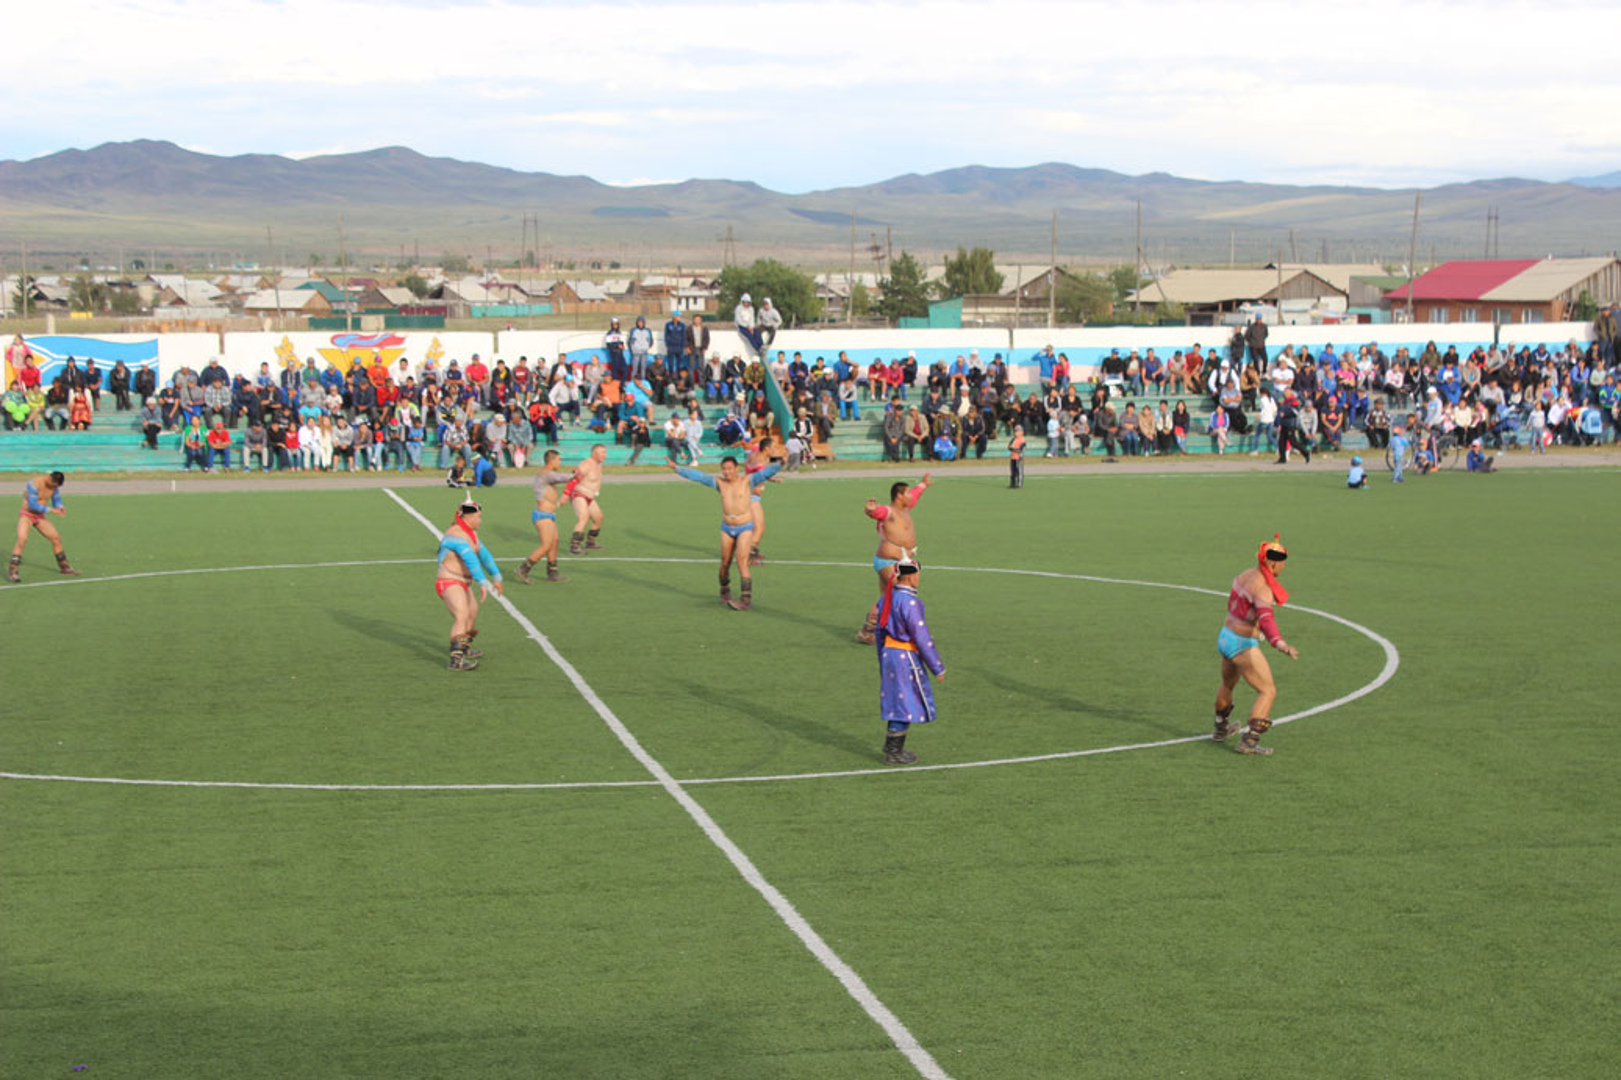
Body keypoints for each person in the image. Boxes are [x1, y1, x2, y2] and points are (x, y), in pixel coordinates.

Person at [1212, 536, 1299, 756]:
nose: (1284, 567)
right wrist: (1280, 643)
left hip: (1225, 636)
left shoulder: (1245, 575)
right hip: (1242, 643)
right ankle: (1249, 741)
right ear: (1273, 562)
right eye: (1283, 562)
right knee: (1268, 691)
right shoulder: (1263, 589)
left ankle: (1221, 729)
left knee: (1227, 684)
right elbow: (1267, 620)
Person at [669, 454, 781, 610]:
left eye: (729, 469)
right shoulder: (719, 483)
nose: (726, 472)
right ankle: (724, 591)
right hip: (727, 528)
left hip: (744, 527)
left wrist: (780, 463)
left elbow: (765, 473)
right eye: (724, 469)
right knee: (725, 562)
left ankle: (745, 601)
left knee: (741, 562)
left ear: (736, 469)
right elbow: (699, 477)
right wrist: (677, 468)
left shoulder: (747, 481)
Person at [875, 557, 945, 765]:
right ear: (912, 576)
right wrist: (937, 666)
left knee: (897, 699)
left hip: (889, 654)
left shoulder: (887, 598)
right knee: (905, 701)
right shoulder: (910, 603)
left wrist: (882, 657)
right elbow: (921, 637)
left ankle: (893, 747)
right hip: (905, 657)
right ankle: (893, 751)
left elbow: (879, 631)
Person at [857, 473, 932, 643]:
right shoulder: (888, 511)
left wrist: (923, 485)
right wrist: (870, 509)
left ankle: (867, 630)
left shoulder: (905, 509)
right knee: (903, 591)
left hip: (901, 561)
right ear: (899, 496)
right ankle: (906, 631)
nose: (910, 496)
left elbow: (915, 496)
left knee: (887, 597)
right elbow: (876, 512)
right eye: (907, 493)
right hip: (887, 561)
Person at [435, 499, 502, 671]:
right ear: (468, 517)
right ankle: (456, 660)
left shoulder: (472, 534)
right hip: (449, 581)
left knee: (472, 612)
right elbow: (470, 559)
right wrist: (482, 582)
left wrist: (497, 576)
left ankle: (464, 647)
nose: (480, 520)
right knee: (462, 615)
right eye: (478, 517)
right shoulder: (455, 535)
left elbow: (484, 555)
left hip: (463, 583)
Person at [9, 471, 79, 583]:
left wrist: (60, 507)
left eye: (56, 486)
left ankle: (64, 567)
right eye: (54, 485)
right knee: (22, 539)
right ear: (50, 479)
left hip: (40, 517)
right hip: (27, 515)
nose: (54, 488)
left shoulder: (54, 486)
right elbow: (33, 504)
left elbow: (56, 499)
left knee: (56, 538)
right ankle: (13, 571)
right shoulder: (34, 483)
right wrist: (51, 510)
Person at [516, 450, 572, 584]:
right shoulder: (545, 474)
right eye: (558, 460)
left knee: (554, 542)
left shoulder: (547, 474)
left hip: (550, 515)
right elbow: (560, 478)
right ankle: (523, 569)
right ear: (551, 461)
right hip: (543, 516)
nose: (560, 462)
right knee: (546, 545)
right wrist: (576, 475)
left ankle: (552, 572)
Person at [565, 444, 609, 555]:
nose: (605, 455)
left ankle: (590, 542)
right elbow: (574, 478)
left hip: (589, 496)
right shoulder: (586, 464)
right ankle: (574, 546)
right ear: (594, 453)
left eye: (605, 452)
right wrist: (565, 494)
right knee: (583, 518)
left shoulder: (599, 465)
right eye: (602, 452)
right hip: (579, 494)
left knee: (598, 518)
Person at [1008, 424, 1026, 488]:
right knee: (1013, 471)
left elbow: (1021, 449)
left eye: (1017, 431)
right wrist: (1013, 448)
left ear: (1021, 432)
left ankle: (1019, 483)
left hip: (1019, 457)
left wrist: (1014, 448)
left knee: (1019, 470)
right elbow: (1009, 447)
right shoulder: (1013, 439)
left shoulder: (1022, 440)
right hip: (1013, 457)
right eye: (1015, 431)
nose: (1016, 433)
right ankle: (1012, 483)